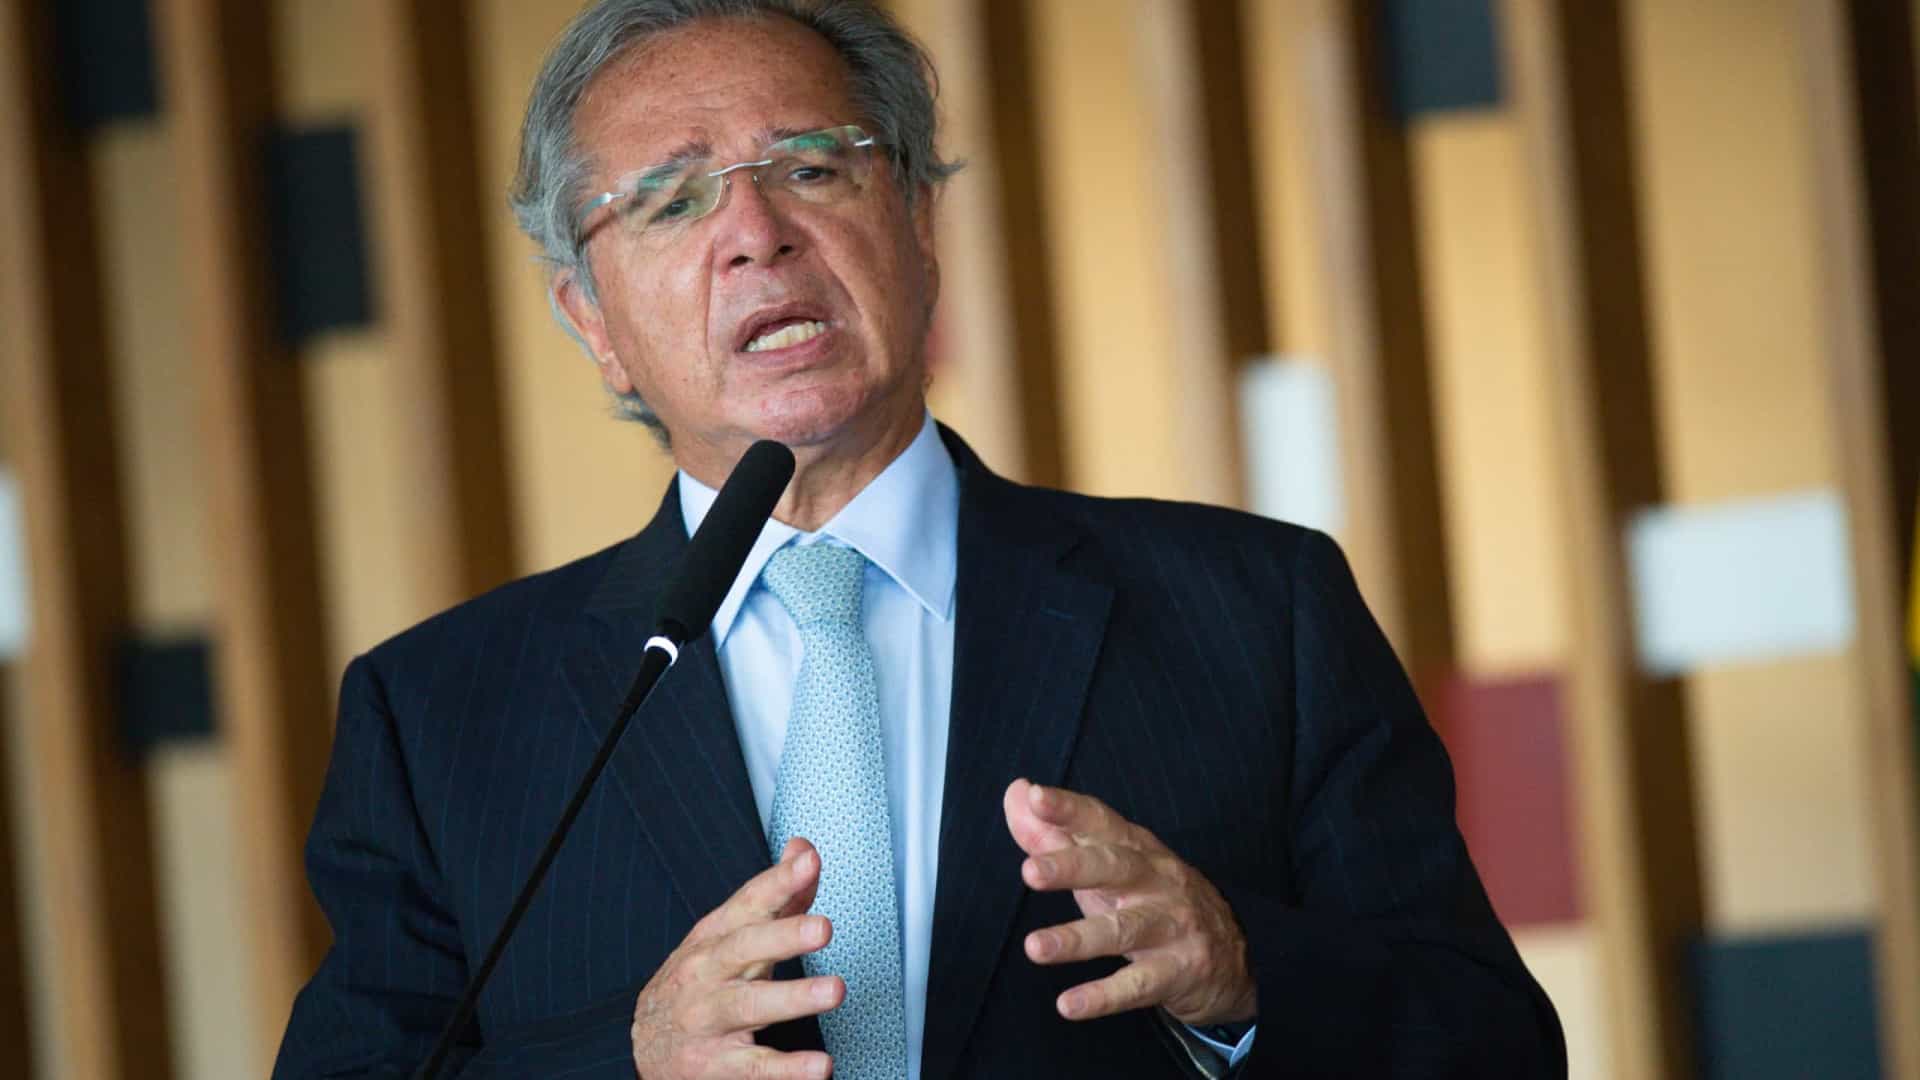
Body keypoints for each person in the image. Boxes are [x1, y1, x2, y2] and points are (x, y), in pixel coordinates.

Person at [272, 1, 1566, 1077]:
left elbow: (1495, 1045)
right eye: (670, 201)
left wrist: (1243, 973)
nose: (756, 234)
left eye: (812, 167)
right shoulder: (440, 715)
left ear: (920, 223)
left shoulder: (1253, 608)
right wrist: (630, 1063)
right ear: (592, 320)